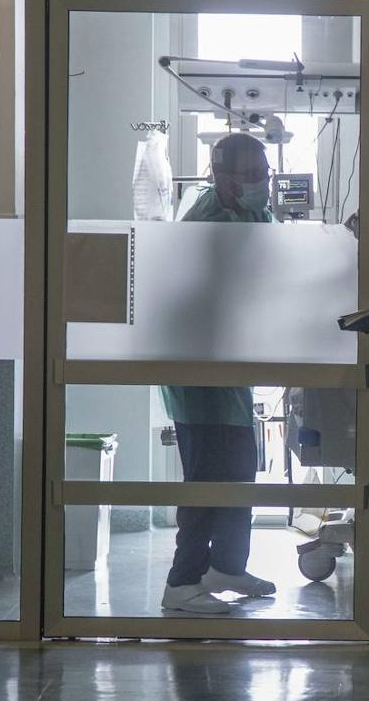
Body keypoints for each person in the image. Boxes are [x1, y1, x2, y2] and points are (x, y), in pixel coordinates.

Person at [160, 133, 278, 615]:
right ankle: (182, 582)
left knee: (239, 470)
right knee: (207, 478)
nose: (260, 185)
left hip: (230, 369)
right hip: (199, 372)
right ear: (221, 176)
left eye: (263, 175)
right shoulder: (205, 221)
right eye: (251, 177)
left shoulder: (249, 214)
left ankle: (227, 566)